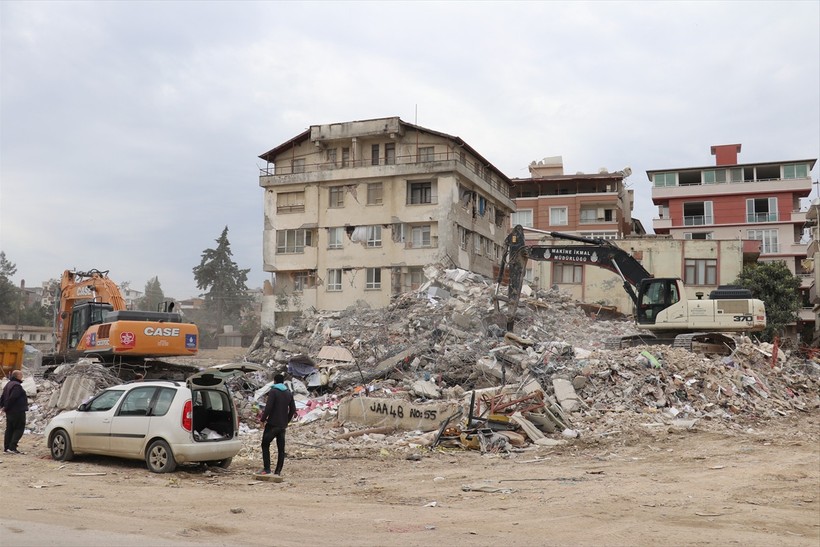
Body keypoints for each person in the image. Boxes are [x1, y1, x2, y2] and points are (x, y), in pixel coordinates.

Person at [259, 373, 296, 477]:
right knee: (281, 449)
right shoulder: (288, 393)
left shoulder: (273, 391)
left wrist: (263, 419)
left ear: (274, 381)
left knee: (265, 445)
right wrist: (286, 421)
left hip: (272, 424)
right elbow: (293, 409)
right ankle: (278, 471)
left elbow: (268, 407)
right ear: (283, 382)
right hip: (282, 426)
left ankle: (267, 469)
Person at [1, 370, 28, 454]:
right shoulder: (17, 386)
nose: (22, 376)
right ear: (17, 376)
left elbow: (2, 396)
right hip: (17, 411)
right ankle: (12, 447)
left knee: (9, 429)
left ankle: (7, 447)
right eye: (21, 374)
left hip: (10, 412)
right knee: (19, 428)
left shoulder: (8, 384)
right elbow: (13, 398)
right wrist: (6, 407)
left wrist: (3, 407)